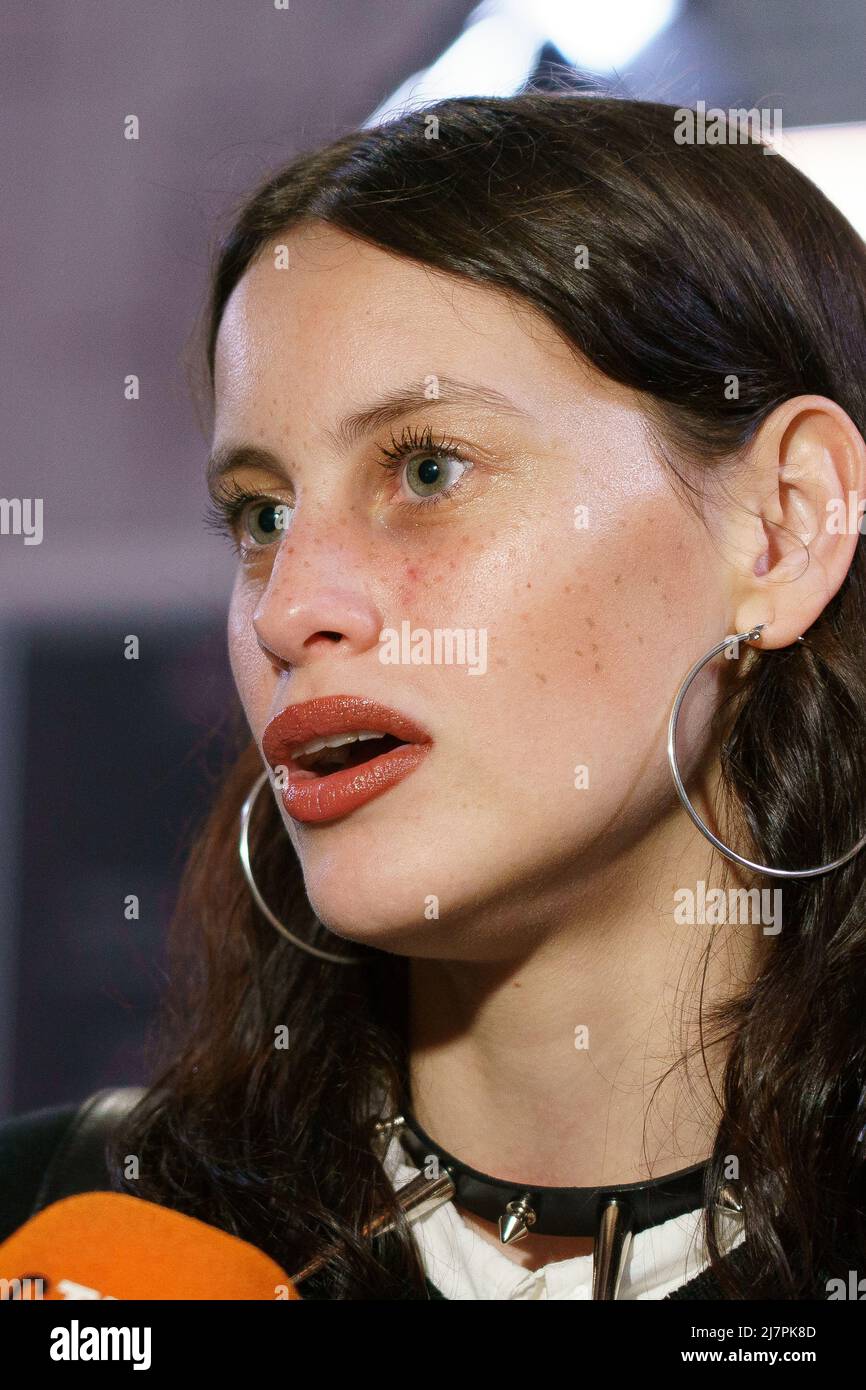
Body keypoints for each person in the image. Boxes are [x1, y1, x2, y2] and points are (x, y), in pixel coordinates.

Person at [3, 91, 866, 1300]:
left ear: (781, 528)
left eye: (426, 468)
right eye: (261, 514)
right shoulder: (54, 1234)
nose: (284, 606)